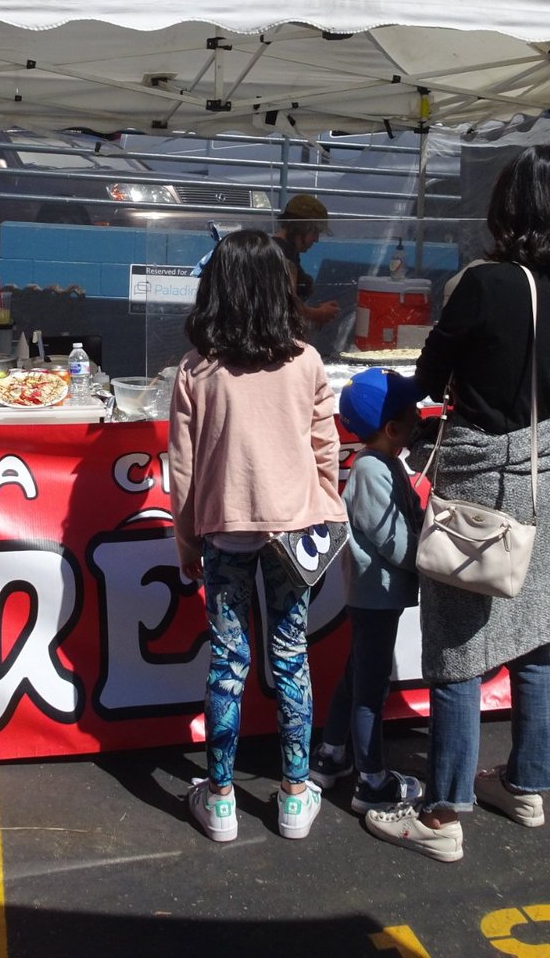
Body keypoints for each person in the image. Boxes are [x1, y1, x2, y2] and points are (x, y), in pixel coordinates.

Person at [365, 144, 550, 863]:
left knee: (460, 644)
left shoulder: (486, 285)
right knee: (534, 631)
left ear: (510, 209)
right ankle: (525, 785)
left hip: (479, 481)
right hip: (547, 476)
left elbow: (431, 378)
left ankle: (442, 813)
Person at [168, 228, 347, 843]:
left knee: (227, 662)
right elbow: (327, 449)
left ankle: (219, 798)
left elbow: (183, 467)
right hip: (294, 531)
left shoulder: (197, 369)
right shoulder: (307, 362)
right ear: (282, 290)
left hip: (223, 534)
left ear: (216, 288)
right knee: (290, 656)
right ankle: (295, 794)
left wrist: (186, 539)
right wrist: (326, 513)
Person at [309, 369, 425, 815]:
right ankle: (371, 781)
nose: (420, 418)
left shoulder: (382, 463)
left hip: (376, 596)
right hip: (377, 595)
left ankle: (331, 754)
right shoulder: (372, 469)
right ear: (393, 429)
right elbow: (392, 540)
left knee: (356, 674)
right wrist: (429, 560)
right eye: (413, 414)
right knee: (370, 691)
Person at [273, 193, 341, 327]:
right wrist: (318, 314)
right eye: (314, 232)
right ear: (302, 228)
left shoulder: (284, 251)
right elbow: (287, 306)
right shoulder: (282, 256)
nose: (316, 239)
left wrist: (314, 309)